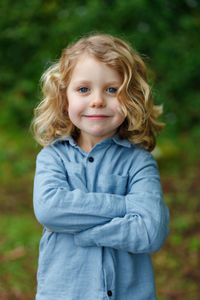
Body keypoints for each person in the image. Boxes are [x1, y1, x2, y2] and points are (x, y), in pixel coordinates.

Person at [32, 33, 169, 300]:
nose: (97, 101)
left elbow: (150, 232)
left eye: (111, 89)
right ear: (64, 96)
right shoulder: (53, 157)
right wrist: (126, 206)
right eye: (84, 89)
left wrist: (77, 229)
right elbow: (49, 209)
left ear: (131, 97)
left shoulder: (139, 161)